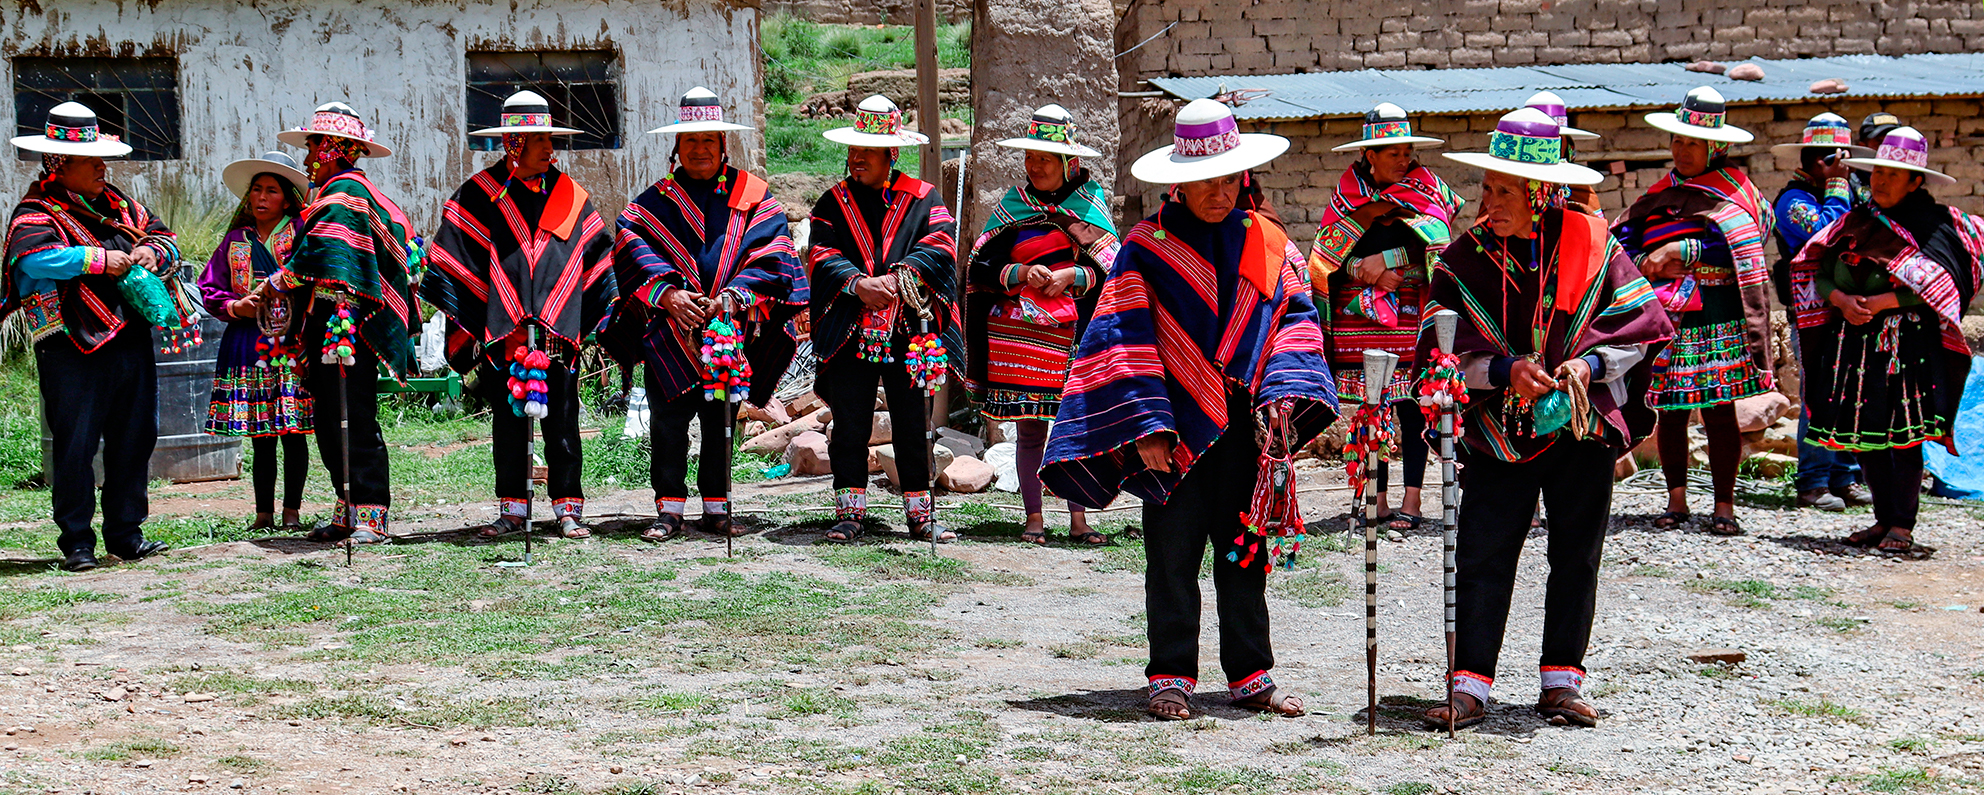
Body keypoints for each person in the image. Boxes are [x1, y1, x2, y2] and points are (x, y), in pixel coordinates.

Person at [1043, 99, 1339, 721]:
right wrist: (1147, 424)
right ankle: (1171, 674)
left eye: (1229, 179)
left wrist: (1284, 394)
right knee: (1171, 557)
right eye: (1206, 180)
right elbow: (1121, 338)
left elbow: (1295, 320)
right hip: (1173, 430)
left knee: (1243, 550)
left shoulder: (1270, 240)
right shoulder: (1145, 248)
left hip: (1245, 428)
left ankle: (1252, 673)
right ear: (1179, 178)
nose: (1218, 192)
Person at [1418, 108, 1672, 730]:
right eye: (1487, 188)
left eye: (1506, 190)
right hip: (1498, 430)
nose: (1491, 201)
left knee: (1576, 553)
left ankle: (1561, 682)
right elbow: (1436, 351)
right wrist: (1503, 371)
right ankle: (1469, 688)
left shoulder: (1592, 243)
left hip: (1579, 427)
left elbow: (1641, 327)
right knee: (1482, 551)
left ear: (1542, 193)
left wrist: (1589, 367)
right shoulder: (1463, 261)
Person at [424, 90, 624, 540]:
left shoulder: (572, 196)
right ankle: (511, 509)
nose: (549, 148)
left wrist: (568, 312)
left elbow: (590, 257)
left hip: (558, 334)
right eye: (539, 140)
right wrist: (490, 316)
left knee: (564, 422)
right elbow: (458, 258)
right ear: (514, 143)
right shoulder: (477, 197)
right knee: (508, 423)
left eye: (550, 139)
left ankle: (568, 509)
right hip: (505, 337)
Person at [615, 87, 805, 540]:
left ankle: (717, 507)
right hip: (670, 333)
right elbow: (629, 249)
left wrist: (735, 296)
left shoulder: (753, 195)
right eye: (690, 141)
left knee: (720, 420)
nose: (700, 149)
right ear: (676, 147)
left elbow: (774, 253)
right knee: (667, 423)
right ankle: (669, 510)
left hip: (728, 331)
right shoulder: (652, 203)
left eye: (709, 141)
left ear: (724, 144)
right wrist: (666, 296)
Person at [0, 102, 181, 572]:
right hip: (71, 344)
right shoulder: (38, 211)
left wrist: (150, 253)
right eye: (93, 161)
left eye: (105, 159)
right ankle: (77, 542)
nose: (104, 168)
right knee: (75, 443)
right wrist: (97, 259)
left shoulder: (122, 207)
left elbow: (166, 239)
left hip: (129, 336)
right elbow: (32, 260)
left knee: (134, 435)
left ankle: (126, 534)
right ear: (61, 165)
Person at [1792, 126, 1981, 553]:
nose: (1880, 181)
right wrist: (1839, 298)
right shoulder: (1856, 221)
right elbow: (1818, 271)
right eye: (1877, 172)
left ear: (1916, 182)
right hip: (1853, 344)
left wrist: (1882, 302)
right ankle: (1881, 519)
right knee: (1865, 433)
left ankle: (1902, 524)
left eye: (1893, 174)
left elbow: (1941, 282)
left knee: (1904, 435)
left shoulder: (1934, 228)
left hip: (1906, 347)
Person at [1613, 87, 1776, 537]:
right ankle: (1676, 499)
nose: (1682, 151)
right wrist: (1644, 257)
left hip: (1716, 313)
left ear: (1715, 147)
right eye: (1677, 142)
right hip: (1667, 315)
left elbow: (1747, 244)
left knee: (1720, 408)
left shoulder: (1737, 191)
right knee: (1670, 410)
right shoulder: (1663, 191)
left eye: (1693, 144)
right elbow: (1626, 233)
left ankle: (1724, 504)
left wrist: (1683, 249)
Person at [807, 95, 960, 544]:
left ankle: (920, 514)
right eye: (853, 151)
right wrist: (858, 284)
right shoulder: (832, 203)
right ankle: (850, 513)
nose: (856, 159)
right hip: (852, 328)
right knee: (850, 421)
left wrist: (900, 278)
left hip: (909, 330)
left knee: (913, 423)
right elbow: (820, 253)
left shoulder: (922, 198)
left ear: (891, 154)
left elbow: (941, 244)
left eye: (866, 152)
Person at [267, 101, 419, 545]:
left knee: (353, 416)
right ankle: (348, 508)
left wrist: (277, 281)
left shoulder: (343, 196)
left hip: (346, 325)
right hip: (325, 322)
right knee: (331, 420)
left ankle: (371, 515)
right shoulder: (335, 194)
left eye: (313, 145)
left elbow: (325, 258)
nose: (308, 155)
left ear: (332, 148)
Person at [964, 104, 1116, 546]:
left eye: (1044, 159)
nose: (1034, 166)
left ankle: (1079, 519)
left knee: (1074, 428)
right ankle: (1033, 518)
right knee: (1030, 429)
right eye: (1030, 158)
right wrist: (1019, 274)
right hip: (1022, 341)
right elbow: (980, 268)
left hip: (1075, 338)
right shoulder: (1013, 206)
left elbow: (1113, 272)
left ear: (1071, 163)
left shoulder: (1090, 208)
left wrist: (1073, 276)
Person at [1308, 102, 1459, 531]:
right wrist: (1362, 268)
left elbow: (1437, 251)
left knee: (1412, 406)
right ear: (1369, 155)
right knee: (1371, 407)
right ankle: (1377, 498)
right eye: (1392, 151)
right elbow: (1327, 256)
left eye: (1406, 149)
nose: (1403, 158)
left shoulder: (1426, 189)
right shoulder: (1346, 194)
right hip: (1359, 321)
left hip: (1410, 313)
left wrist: (1391, 263)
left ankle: (1412, 502)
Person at [200, 151, 314, 532]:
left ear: (287, 199)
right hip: (247, 344)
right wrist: (237, 306)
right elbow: (209, 287)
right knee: (261, 432)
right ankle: (263, 512)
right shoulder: (235, 241)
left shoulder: (301, 234)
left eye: (271, 191)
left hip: (290, 343)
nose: (261, 197)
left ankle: (292, 511)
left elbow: (315, 277)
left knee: (292, 430)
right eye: (256, 190)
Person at [1769, 113, 1874, 513]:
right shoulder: (1792, 203)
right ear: (1817, 160)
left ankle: (1844, 476)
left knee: (1852, 394)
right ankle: (1812, 481)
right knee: (1819, 397)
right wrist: (1835, 188)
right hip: (1811, 315)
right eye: (1835, 161)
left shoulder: (1853, 193)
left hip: (1852, 311)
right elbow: (1831, 235)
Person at [1522, 91, 1604, 216]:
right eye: (1540, 142)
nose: (1549, 148)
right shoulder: (1505, 185)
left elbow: (1597, 231)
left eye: (1557, 140)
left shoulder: (1580, 191)